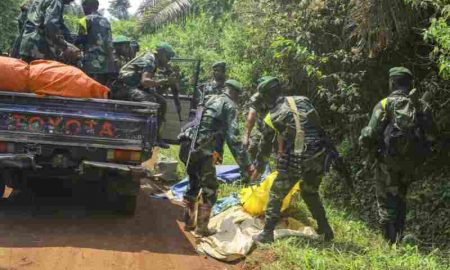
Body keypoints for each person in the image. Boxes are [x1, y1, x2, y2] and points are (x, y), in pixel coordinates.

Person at [251, 77, 334, 244]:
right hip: (319, 155)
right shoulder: (303, 100)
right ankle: (326, 230)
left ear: (266, 96)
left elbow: (264, 148)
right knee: (309, 191)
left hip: (297, 159)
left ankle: (267, 234)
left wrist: (258, 169)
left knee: (276, 194)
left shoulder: (272, 116)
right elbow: (315, 125)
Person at [359, 67, 435, 244]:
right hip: (410, 164)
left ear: (392, 82)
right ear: (410, 84)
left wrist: (365, 144)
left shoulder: (385, 104)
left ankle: (389, 244)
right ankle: (399, 238)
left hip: (387, 162)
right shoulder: (422, 106)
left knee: (386, 201)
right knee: (401, 198)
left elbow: (369, 135)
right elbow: (432, 135)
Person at [181, 80, 254, 236]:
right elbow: (233, 139)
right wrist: (246, 165)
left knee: (193, 183)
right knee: (210, 189)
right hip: (204, 151)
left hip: (188, 146)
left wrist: (218, 151)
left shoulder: (209, 98)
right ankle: (201, 229)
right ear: (235, 93)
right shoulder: (229, 105)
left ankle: (188, 222)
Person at [115, 42, 179, 148]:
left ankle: (156, 138)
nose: (169, 60)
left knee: (161, 102)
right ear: (161, 53)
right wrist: (166, 80)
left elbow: (150, 85)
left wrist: (168, 81)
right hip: (123, 87)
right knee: (150, 101)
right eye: (168, 57)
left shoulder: (153, 60)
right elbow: (145, 81)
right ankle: (143, 136)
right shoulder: (150, 60)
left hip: (133, 86)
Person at [77, 0, 115, 86]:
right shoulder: (106, 21)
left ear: (85, 6)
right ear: (97, 6)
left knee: (91, 89)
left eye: (83, 5)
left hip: (92, 65)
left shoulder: (84, 20)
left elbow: (80, 40)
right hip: (107, 64)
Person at [243, 76, 273, 162]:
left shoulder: (277, 96)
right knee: (253, 146)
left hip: (277, 130)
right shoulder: (256, 98)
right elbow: (251, 118)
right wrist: (246, 137)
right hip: (261, 128)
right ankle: (250, 168)